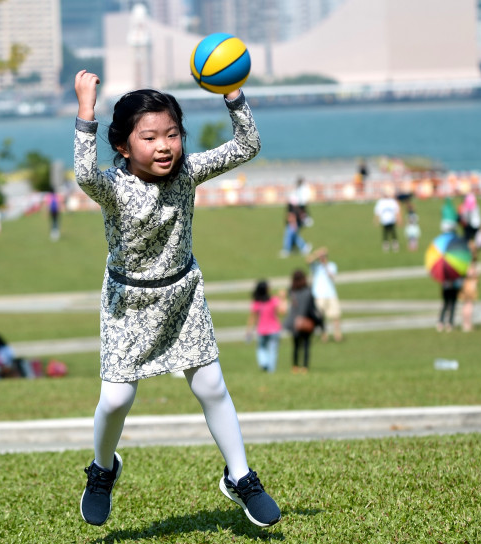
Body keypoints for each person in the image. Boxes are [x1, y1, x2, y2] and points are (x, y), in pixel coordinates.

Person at [73, 70, 280, 528]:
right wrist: (86, 108)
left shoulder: (187, 171)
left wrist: (233, 96)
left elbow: (247, 147)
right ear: (124, 146)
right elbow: (84, 173)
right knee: (114, 401)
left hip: (183, 295)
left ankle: (241, 477)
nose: (165, 145)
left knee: (212, 387)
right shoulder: (112, 185)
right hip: (128, 303)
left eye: (172, 134)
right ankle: (102, 470)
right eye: (149, 137)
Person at [283, 269, 322, 373]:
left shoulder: (292, 291)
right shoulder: (308, 291)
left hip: (294, 322)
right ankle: (305, 367)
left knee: (295, 346)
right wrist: (319, 321)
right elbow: (312, 308)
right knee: (306, 346)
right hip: (306, 321)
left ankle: (295, 366)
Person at [246, 280, 286, 373]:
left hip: (262, 330)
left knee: (261, 349)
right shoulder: (273, 300)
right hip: (274, 329)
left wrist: (249, 331)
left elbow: (252, 318)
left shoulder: (257, 302)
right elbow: (282, 312)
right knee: (273, 351)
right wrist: (283, 298)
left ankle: (264, 363)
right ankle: (271, 371)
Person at [307, 247, 343, 342]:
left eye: (323, 256)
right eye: (321, 257)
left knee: (335, 315)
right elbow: (308, 261)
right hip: (319, 294)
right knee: (320, 317)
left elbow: (332, 276)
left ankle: (337, 334)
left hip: (330, 294)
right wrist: (316, 254)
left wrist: (325, 265)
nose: (322, 258)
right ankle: (324, 334)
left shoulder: (331, 265)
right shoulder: (316, 266)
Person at [373, 186, 401, 252]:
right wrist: (376, 220)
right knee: (385, 233)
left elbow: (397, 211)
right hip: (384, 220)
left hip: (391, 220)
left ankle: (395, 245)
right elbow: (377, 212)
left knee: (393, 233)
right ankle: (386, 246)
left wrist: (399, 219)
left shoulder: (392, 201)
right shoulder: (381, 202)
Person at [459, 257, 479, 332]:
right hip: (471, 287)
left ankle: (465, 323)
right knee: (469, 305)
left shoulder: (463, 265)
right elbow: (475, 276)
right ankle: (468, 324)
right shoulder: (471, 267)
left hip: (464, 286)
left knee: (465, 305)